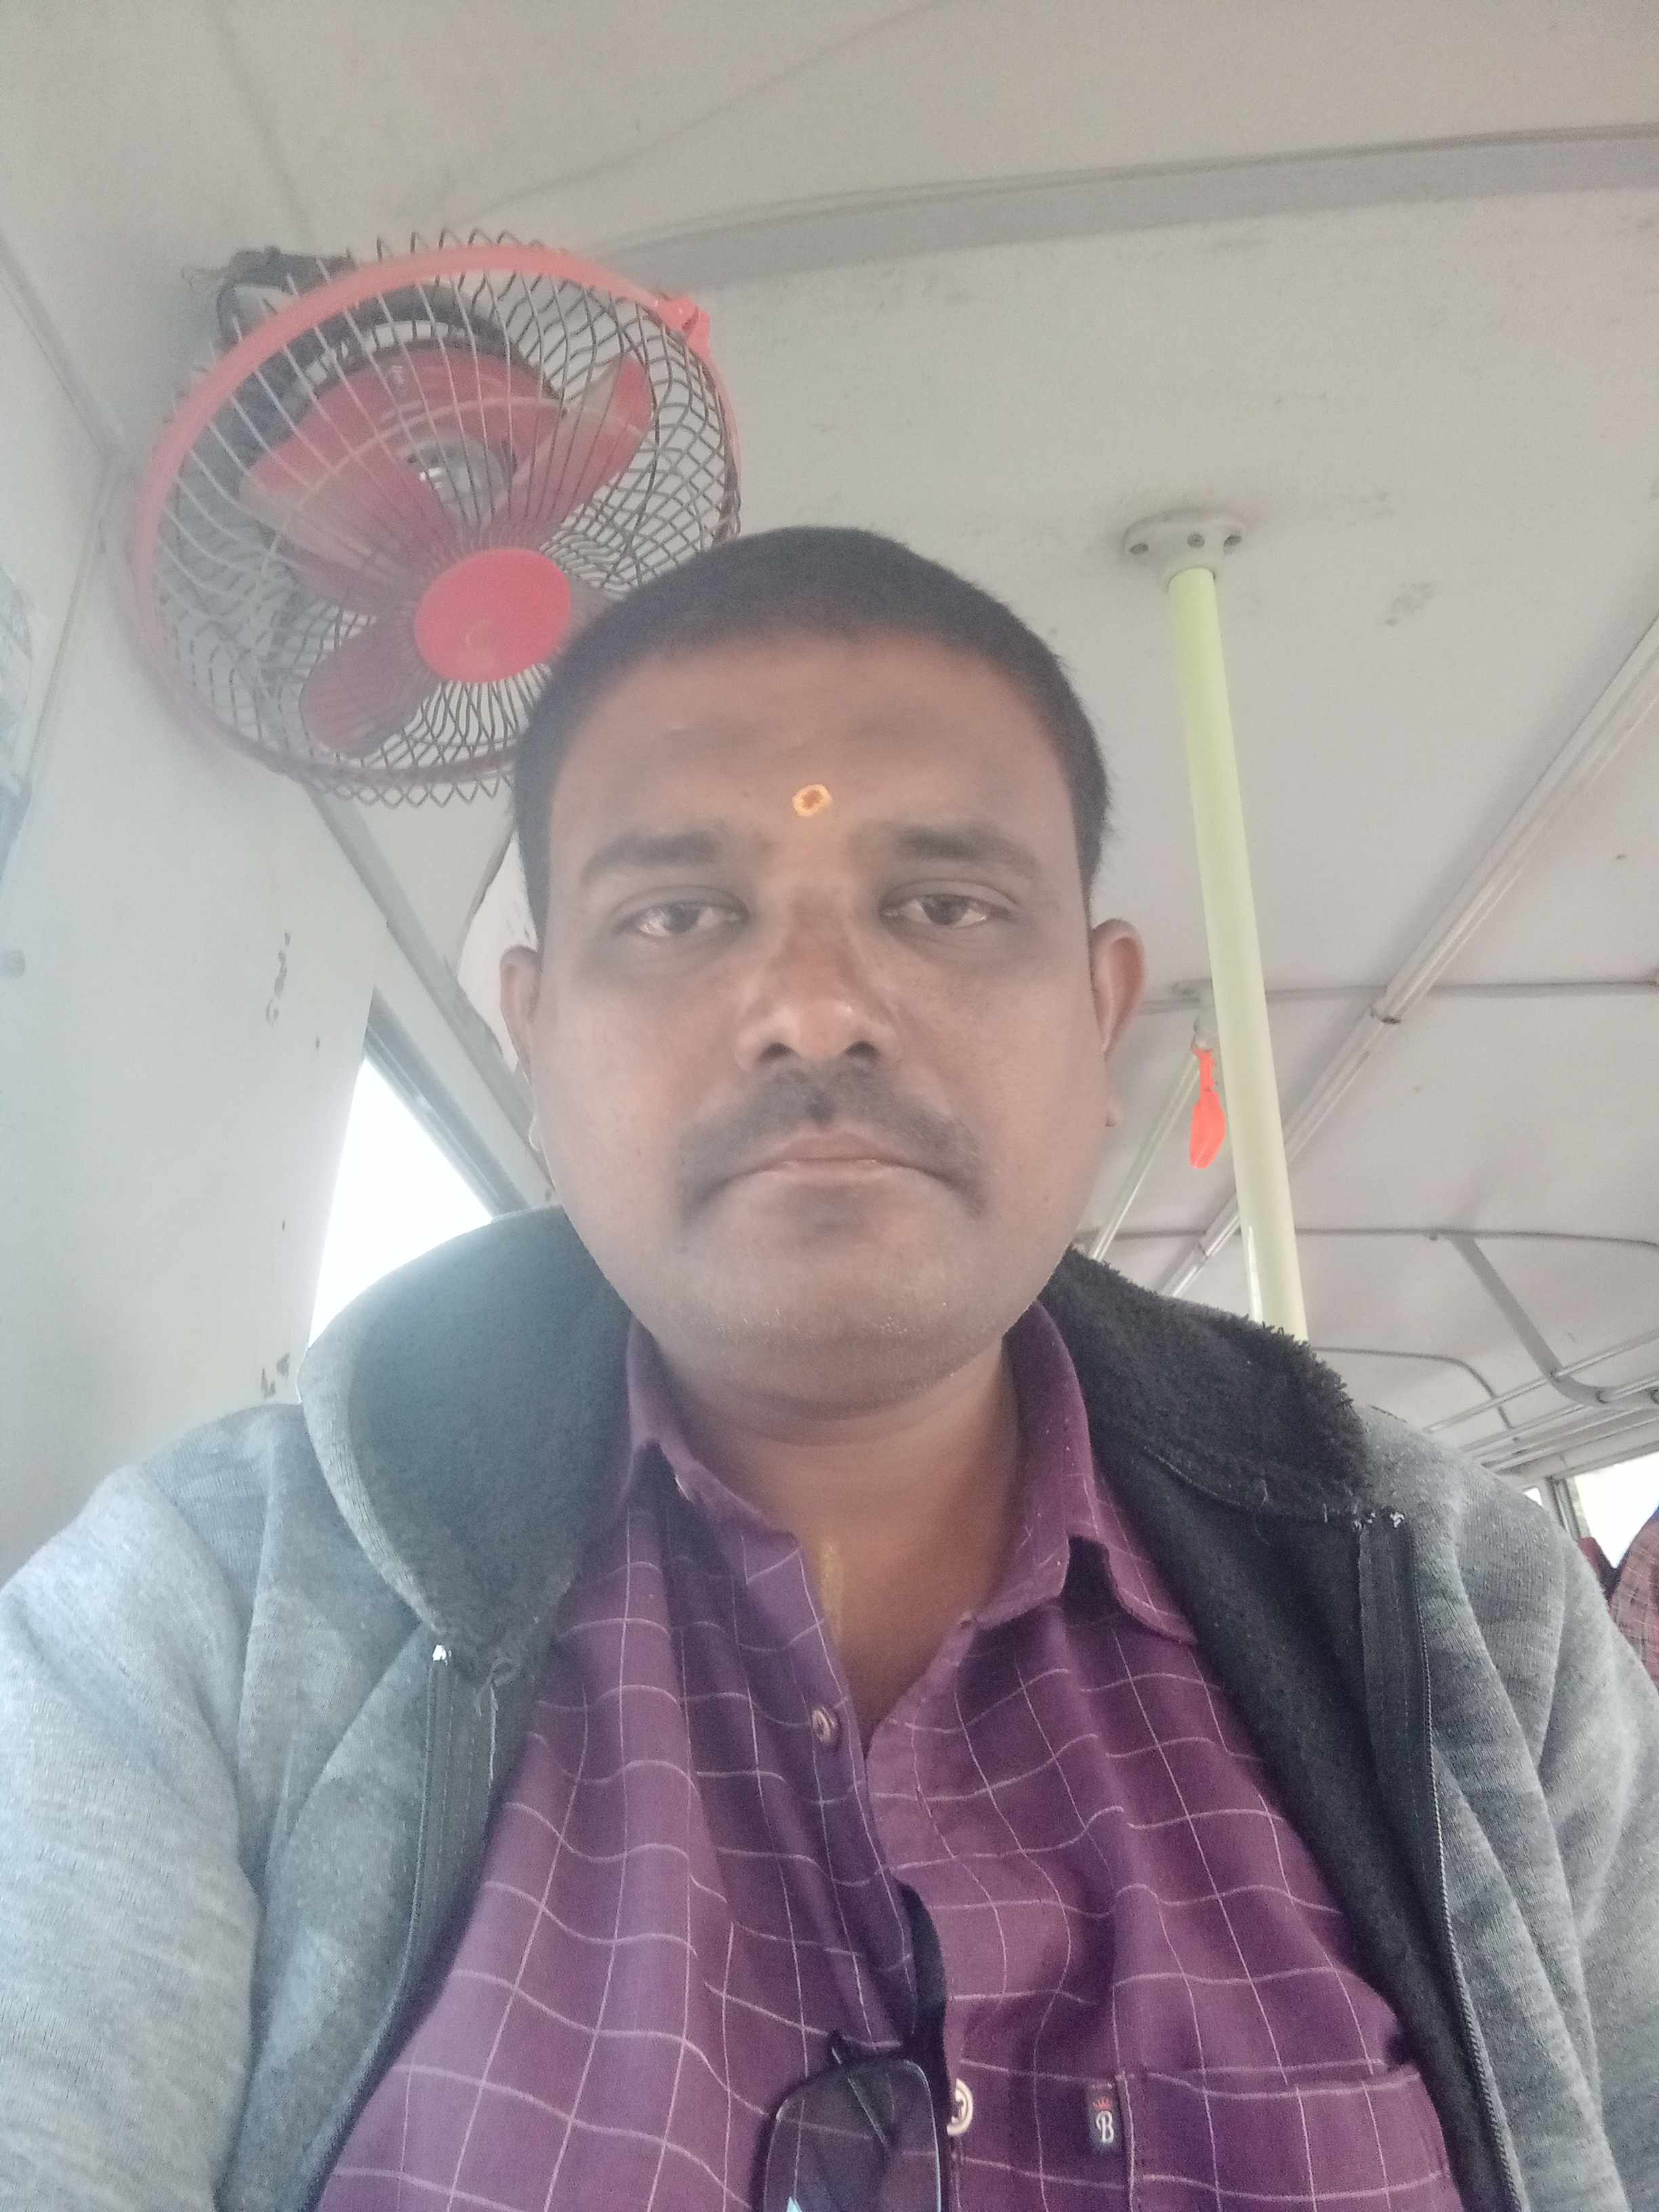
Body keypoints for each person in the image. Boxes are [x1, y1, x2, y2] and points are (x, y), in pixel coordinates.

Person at [2, 528, 1656, 2212]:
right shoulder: (200, 1619)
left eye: (943, 906)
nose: (813, 1010)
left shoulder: (1473, 1623)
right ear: (536, 1038)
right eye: (678, 914)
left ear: (1101, 1022)